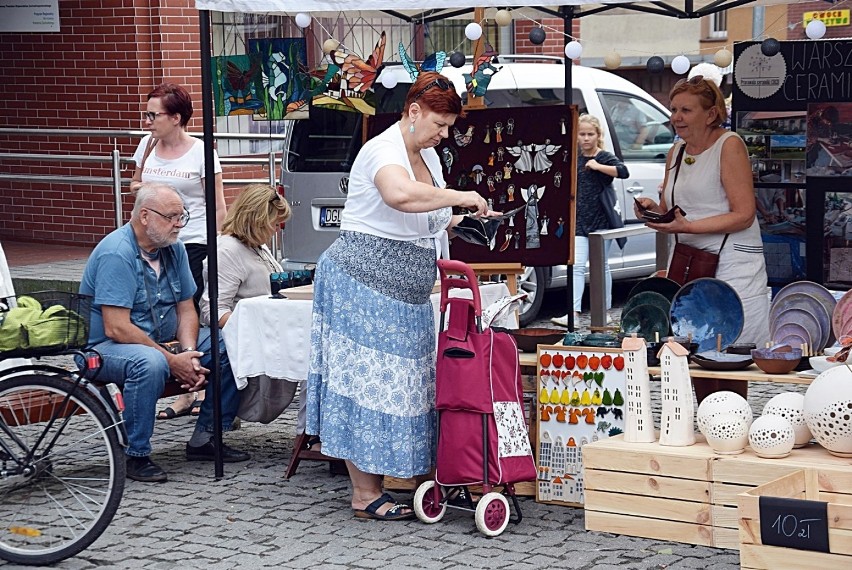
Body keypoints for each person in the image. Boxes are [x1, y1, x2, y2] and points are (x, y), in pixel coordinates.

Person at [305, 71, 489, 521]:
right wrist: (460, 195)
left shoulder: (428, 156)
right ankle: (365, 494)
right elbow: (399, 195)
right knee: (364, 384)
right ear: (413, 112)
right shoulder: (380, 150)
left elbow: (424, 214)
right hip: (360, 283)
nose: (444, 135)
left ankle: (391, 480)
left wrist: (461, 219)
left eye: (448, 127)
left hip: (404, 290)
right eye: (439, 124)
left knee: (405, 386)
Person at [80, 183, 249, 483]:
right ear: (144, 216)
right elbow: (116, 327)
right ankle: (136, 455)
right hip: (106, 347)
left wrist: (187, 354)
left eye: (181, 216)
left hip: (163, 340)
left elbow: (187, 308)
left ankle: (207, 437)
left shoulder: (176, 249)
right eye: (171, 217)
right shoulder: (116, 253)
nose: (178, 224)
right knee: (150, 363)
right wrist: (173, 361)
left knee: (232, 341)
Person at [634, 75, 770, 401]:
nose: (676, 117)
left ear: (710, 114)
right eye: (674, 109)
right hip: (691, 262)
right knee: (693, 348)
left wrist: (689, 227)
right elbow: (673, 207)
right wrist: (654, 209)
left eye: (686, 110)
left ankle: (730, 423)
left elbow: (744, 213)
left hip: (733, 262)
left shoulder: (729, 145)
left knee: (729, 352)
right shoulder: (676, 151)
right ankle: (706, 422)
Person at [129, 82, 226, 420]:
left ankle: (194, 389)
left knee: (190, 309)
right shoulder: (147, 144)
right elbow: (135, 185)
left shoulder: (201, 152)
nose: (147, 121)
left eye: (153, 115)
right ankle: (180, 380)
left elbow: (217, 205)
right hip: (154, 239)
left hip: (192, 240)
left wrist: (217, 246)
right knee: (159, 309)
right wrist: (151, 189)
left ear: (175, 117)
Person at [199, 183, 298, 424]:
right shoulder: (228, 250)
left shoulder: (256, 245)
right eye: (274, 224)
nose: (277, 230)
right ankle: (211, 430)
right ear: (256, 220)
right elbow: (212, 310)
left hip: (265, 330)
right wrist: (252, 328)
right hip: (240, 335)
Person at [552, 114, 629, 328]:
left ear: (597, 136)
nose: (586, 138)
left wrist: (597, 166)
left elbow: (623, 171)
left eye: (590, 134)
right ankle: (573, 313)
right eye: (582, 134)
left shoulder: (603, 157)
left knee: (600, 267)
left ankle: (604, 312)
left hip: (601, 222)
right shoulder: (574, 158)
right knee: (575, 266)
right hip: (579, 221)